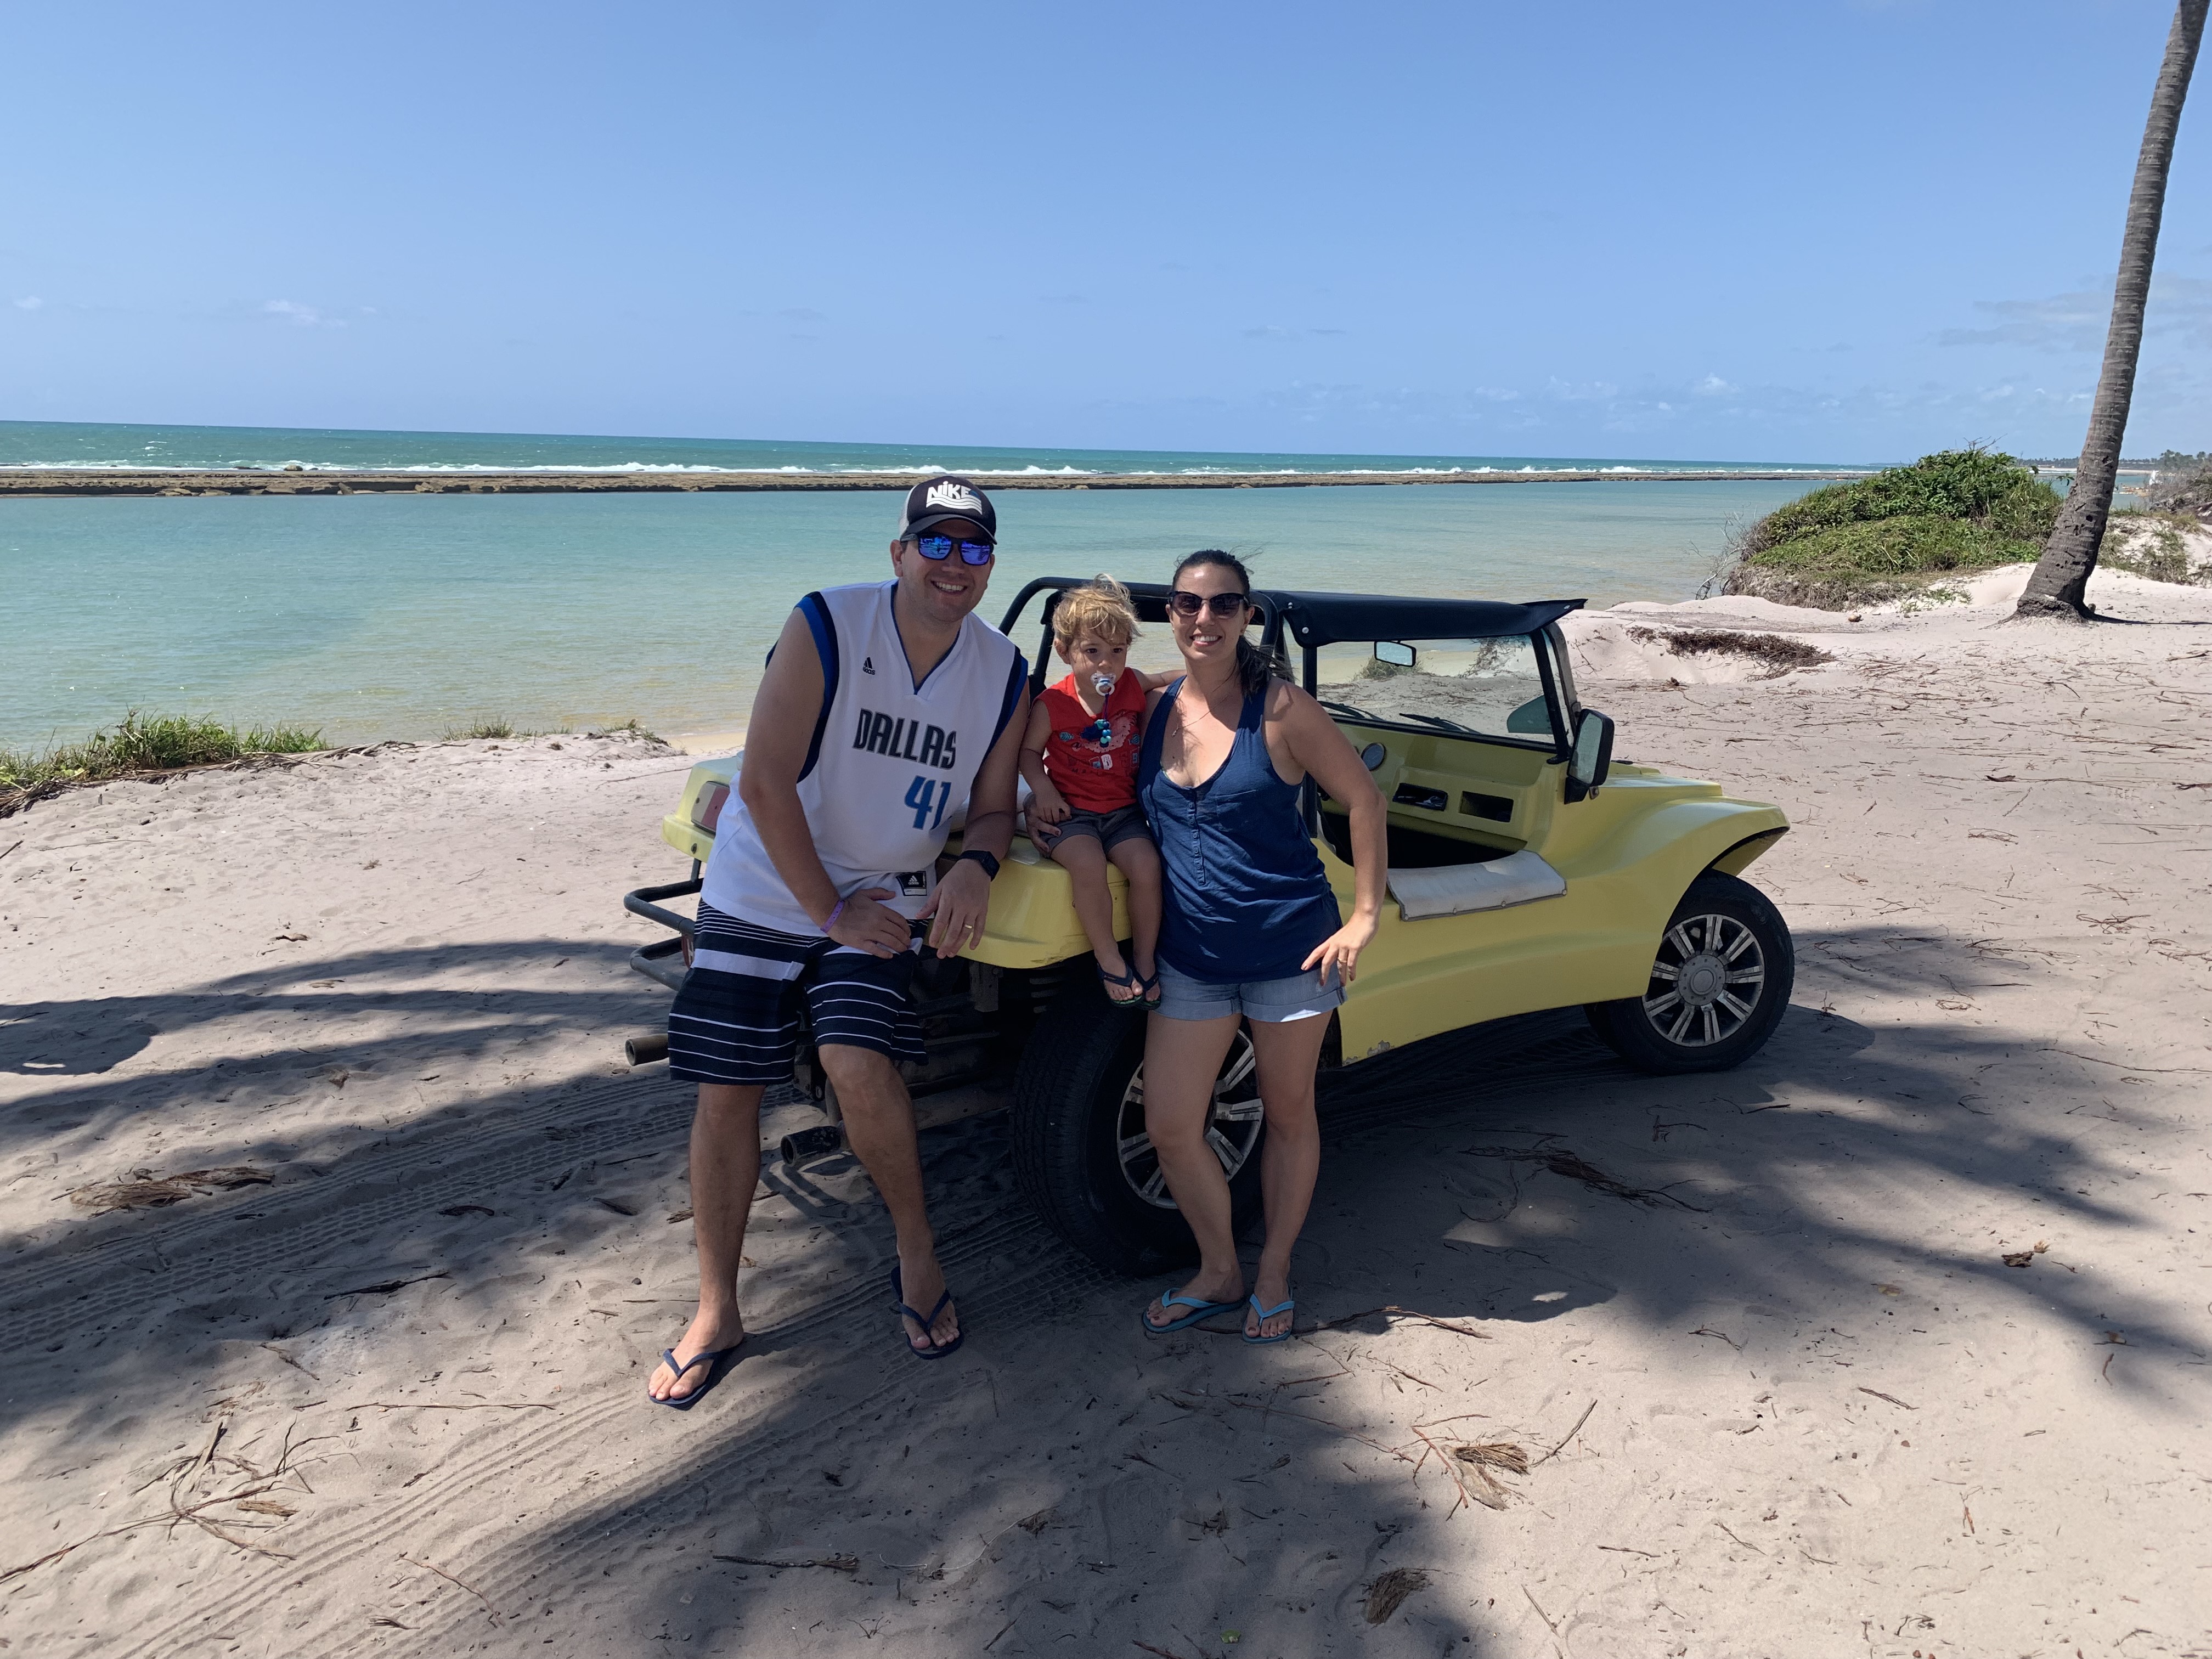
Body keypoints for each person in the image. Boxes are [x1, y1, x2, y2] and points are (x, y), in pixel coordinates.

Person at [648, 476, 1029, 1406]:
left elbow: (989, 805)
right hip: (765, 885)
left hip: (884, 895)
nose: (954, 564)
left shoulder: (1003, 670)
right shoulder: (826, 623)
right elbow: (767, 780)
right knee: (728, 1086)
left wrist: (977, 863)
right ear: (898, 552)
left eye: (973, 548)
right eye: (933, 544)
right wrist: (827, 910)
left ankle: (916, 1253)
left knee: (860, 1063)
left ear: (988, 567)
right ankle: (716, 1307)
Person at [1135, 549, 1386, 1345]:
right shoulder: (1151, 707)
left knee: (1287, 1116)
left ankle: (1273, 1269)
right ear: (1169, 615)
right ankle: (1220, 1269)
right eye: (1186, 604)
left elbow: (1363, 799)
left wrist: (1365, 915)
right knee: (1173, 1125)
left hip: (1292, 956)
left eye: (1222, 604)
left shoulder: (1282, 710)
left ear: (1248, 615)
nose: (1202, 618)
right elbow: (1070, 745)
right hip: (1192, 962)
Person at [1016, 576, 1165, 1008]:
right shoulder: (1052, 703)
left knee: (1147, 867)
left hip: (1121, 811)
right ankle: (1107, 957)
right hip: (1071, 812)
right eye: (1093, 652)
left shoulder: (1131, 686)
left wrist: (1222, 679)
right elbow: (1028, 753)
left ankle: (1144, 956)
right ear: (1065, 652)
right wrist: (1042, 790)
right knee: (1088, 864)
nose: (1107, 665)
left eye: (1117, 652)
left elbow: (1170, 676)